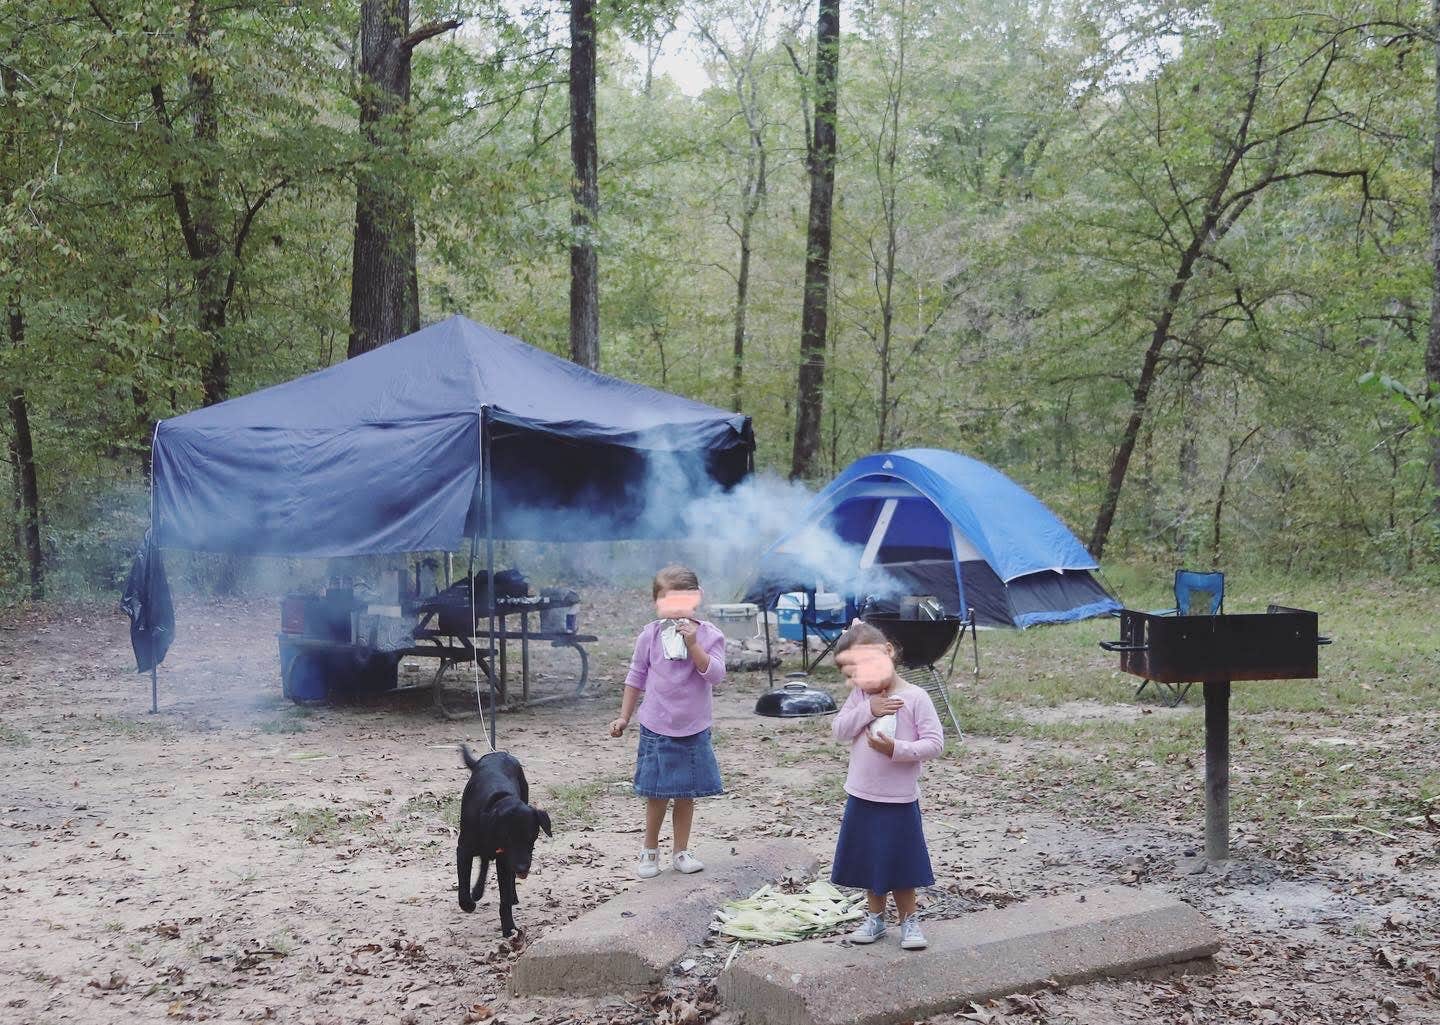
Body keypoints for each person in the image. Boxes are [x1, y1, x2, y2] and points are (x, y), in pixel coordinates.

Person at [829, 621, 944, 950]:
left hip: (898, 798)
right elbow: (839, 730)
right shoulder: (861, 697)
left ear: (889, 652)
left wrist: (896, 749)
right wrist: (868, 709)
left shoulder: (915, 697)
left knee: (900, 863)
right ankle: (875, 918)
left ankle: (909, 921)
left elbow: (934, 744)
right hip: (862, 794)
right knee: (870, 861)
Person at [608, 565, 726, 879]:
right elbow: (636, 676)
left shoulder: (710, 635)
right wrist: (624, 716)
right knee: (656, 793)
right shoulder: (650, 635)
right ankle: (649, 850)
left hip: (693, 728)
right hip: (656, 725)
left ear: (696, 599)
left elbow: (715, 674)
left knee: (685, 794)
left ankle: (681, 851)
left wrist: (693, 645)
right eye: (666, 602)